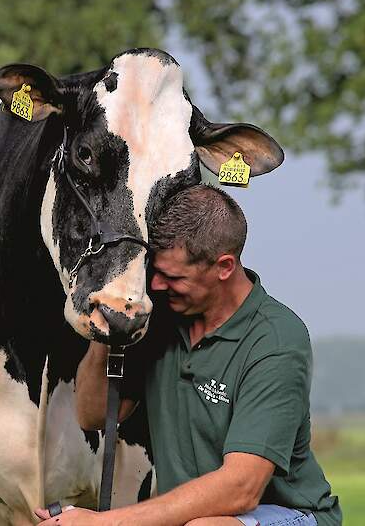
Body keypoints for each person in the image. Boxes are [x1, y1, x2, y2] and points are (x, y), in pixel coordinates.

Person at [37, 185, 342, 526]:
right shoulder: (162, 319)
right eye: (156, 273)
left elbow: (242, 489)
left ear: (224, 267)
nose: (158, 286)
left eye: (173, 276)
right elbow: (91, 415)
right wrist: (109, 323)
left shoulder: (274, 339)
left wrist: (105, 523)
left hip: (292, 513)